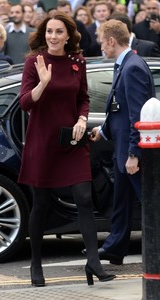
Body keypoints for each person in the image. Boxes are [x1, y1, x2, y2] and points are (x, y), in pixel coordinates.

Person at [18, 11, 116, 287]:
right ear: (43, 34)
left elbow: (83, 97)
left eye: (59, 32)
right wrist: (43, 84)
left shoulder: (77, 62)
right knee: (41, 204)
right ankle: (36, 264)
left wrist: (82, 119)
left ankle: (94, 262)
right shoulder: (33, 63)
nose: (53, 36)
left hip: (72, 142)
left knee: (84, 198)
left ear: (68, 36)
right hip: (43, 143)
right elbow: (25, 102)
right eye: (49, 31)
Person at [88, 19, 155, 264]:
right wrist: (103, 131)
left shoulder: (132, 68)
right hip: (122, 149)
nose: (99, 44)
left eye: (100, 39)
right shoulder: (124, 65)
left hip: (130, 153)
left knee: (150, 203)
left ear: (112, 41)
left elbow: (137, 115)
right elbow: (119, 111)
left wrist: (134, 153)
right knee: (122, 202)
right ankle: (115, 249)